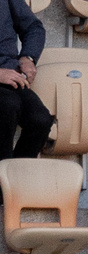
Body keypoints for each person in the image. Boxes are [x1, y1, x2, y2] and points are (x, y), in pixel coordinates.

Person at [0, 0, 50, 159]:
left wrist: (28, 57)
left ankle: (14, 174)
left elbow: (33, 27)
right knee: (8, 105)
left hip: (10, 74)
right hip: (4, 78)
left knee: (40, 119)